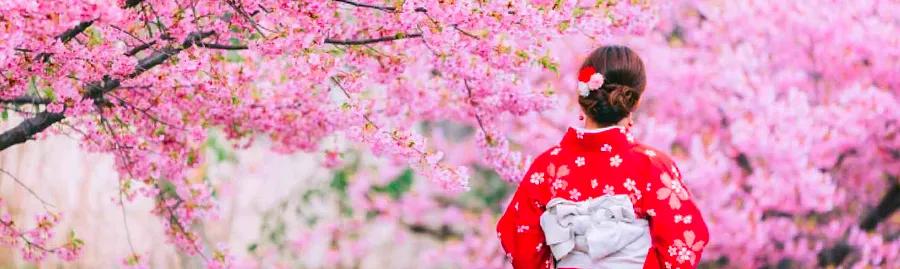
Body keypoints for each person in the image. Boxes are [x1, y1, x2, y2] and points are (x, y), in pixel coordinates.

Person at [496, 45, 709, 269]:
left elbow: (518, 238)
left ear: (582, 98)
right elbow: (686, 239)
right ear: (635, 101)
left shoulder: (547, 167)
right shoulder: (652, 166)